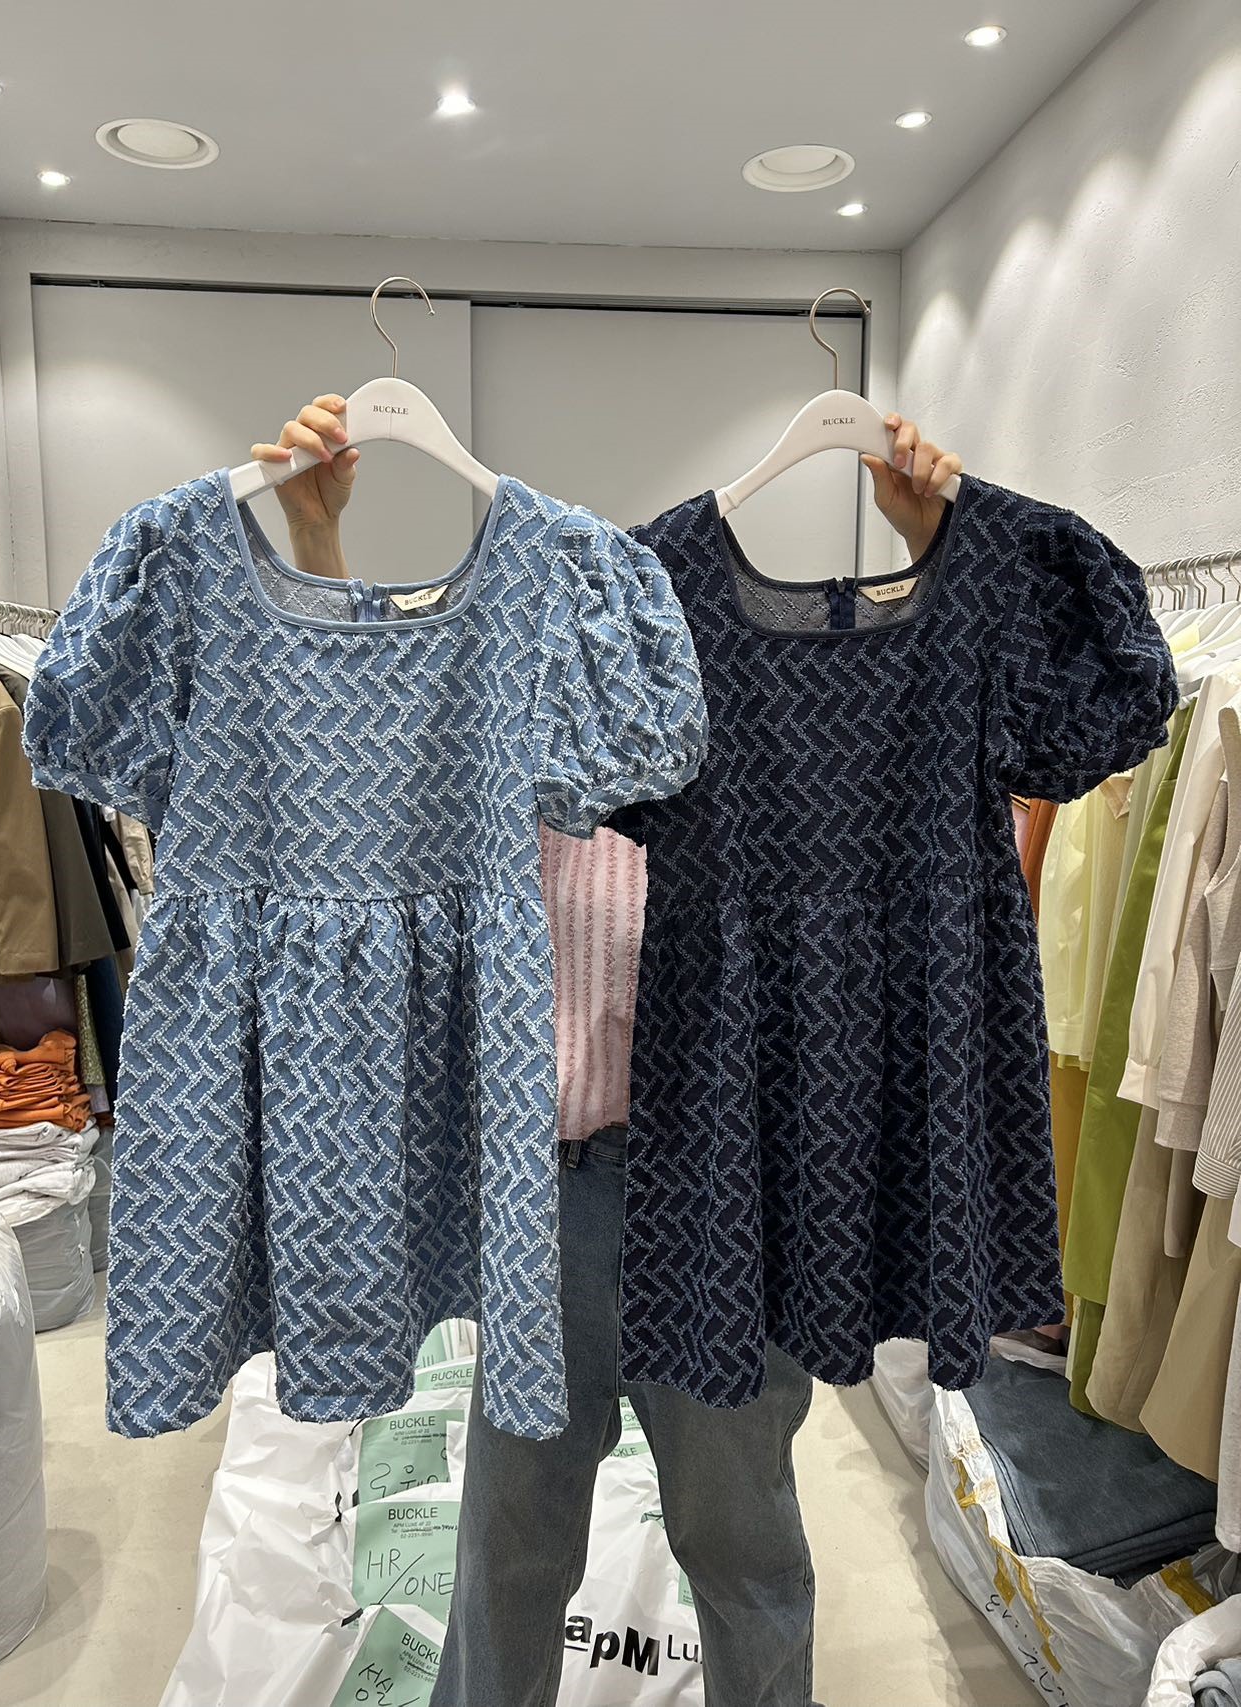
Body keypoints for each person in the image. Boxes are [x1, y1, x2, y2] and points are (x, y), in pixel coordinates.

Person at [249, 400, 964, 1707]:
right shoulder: (507, 759)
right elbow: (340, 748)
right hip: (552, 1204)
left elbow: (928, 725)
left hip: (729, 1209)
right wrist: (317, 540)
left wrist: (935, 551)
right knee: (510, 1552)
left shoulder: (780, 764)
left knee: (744, 1550)